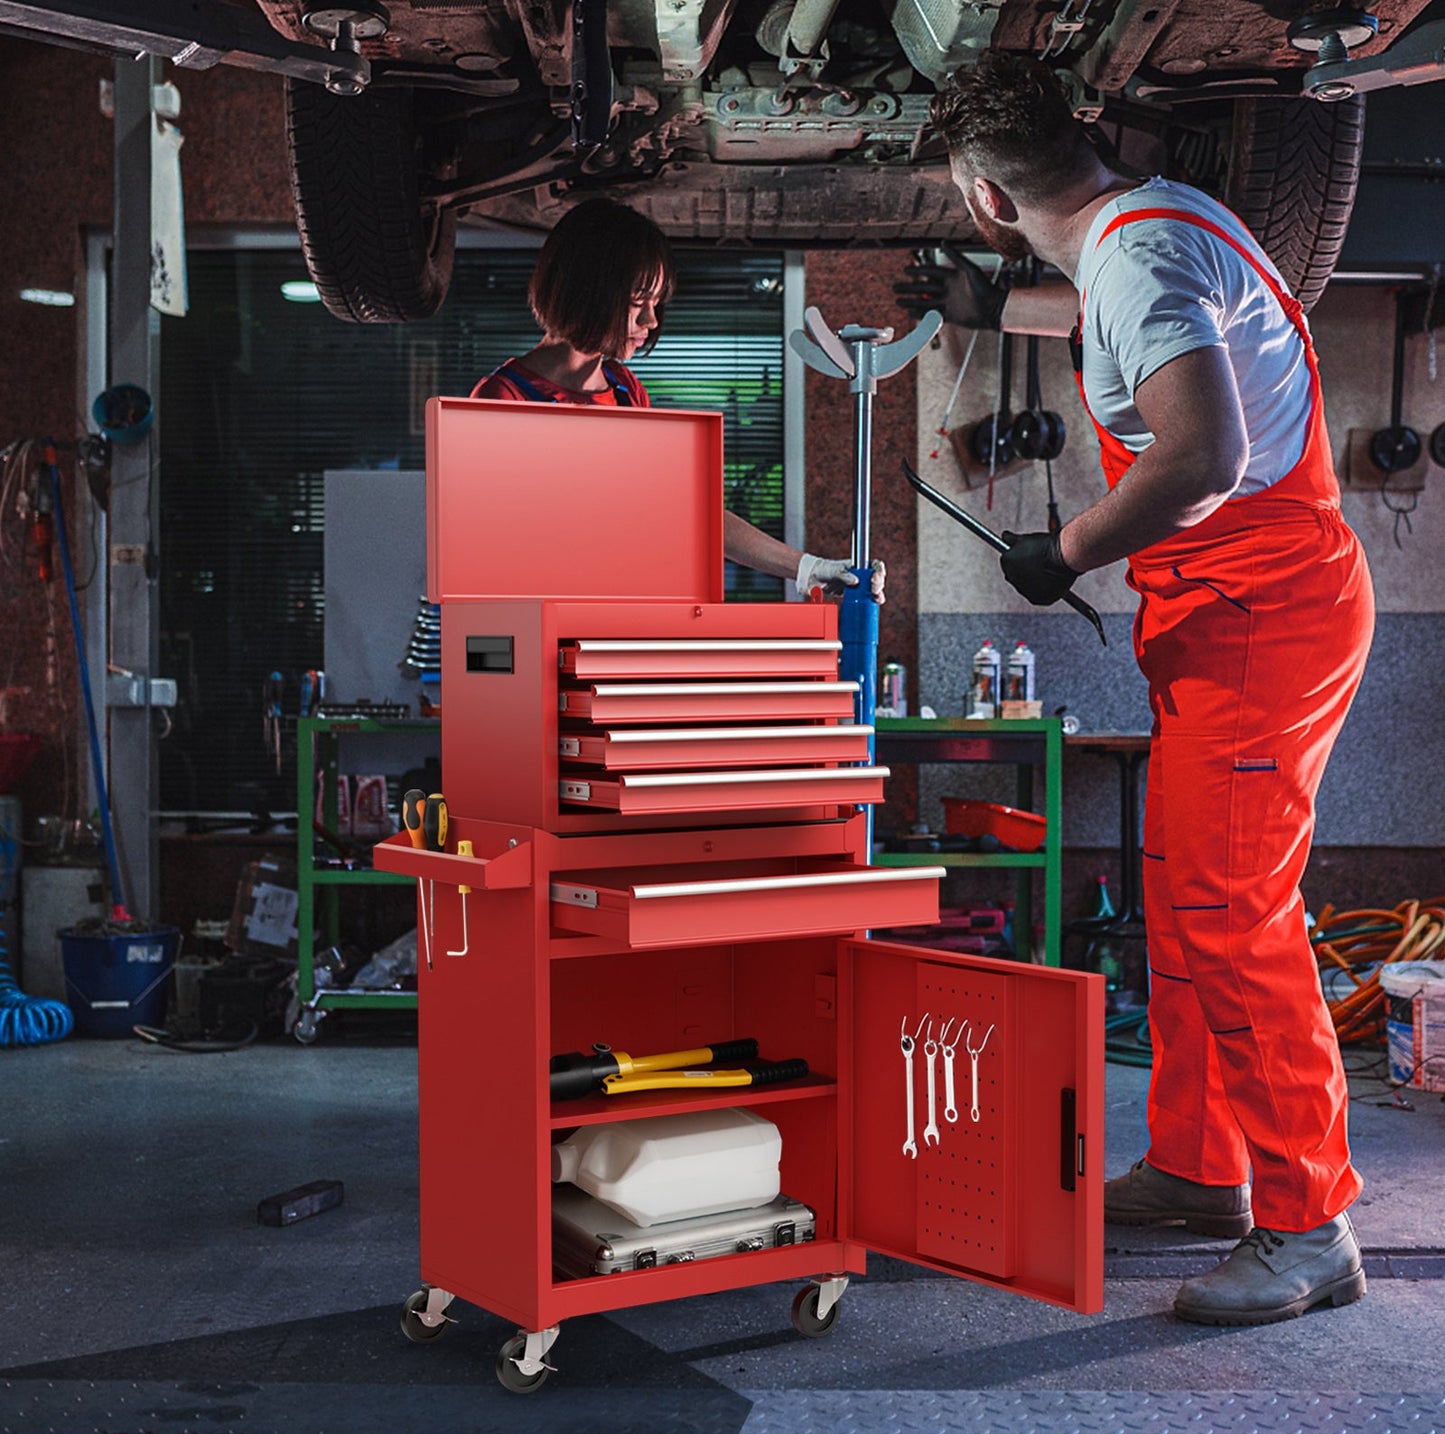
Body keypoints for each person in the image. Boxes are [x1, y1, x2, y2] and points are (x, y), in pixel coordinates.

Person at [914, 53, 1375, 1327]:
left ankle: (1305, 1221)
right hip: (1226, 615)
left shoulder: (1132, 263)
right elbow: (1142, 336)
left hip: (1257, 617)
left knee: (1233, 919)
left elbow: (1204, 450)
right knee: (1182, 904)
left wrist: (1056, 551)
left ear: (983, 198)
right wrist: (990, 309)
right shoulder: (1153, 219)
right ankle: (1196, 1165)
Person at [473, 197, 884, 605]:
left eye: (656, 304)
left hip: (626, 626)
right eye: (638, 301)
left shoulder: (624, 390)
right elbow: (496, 556)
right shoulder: (504, 399)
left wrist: (808, 568)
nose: (651, 322)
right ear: (588, 290)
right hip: (553, 632)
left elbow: (690, 512)